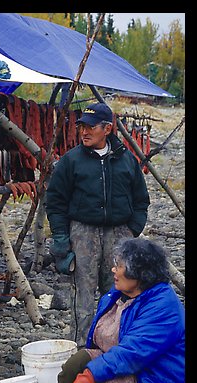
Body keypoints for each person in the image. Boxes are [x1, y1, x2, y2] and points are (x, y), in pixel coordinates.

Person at [45, 238, 185, 383]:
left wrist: (87, 380)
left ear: (138, 273)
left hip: (162, 381)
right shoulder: (120, 294)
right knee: (76, 362)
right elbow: (101, 343)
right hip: (134, 368)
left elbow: (131, 353)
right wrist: (83, 372)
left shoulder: (163, 307)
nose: (113, 270)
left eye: (118, 265)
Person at [45, 102, 150, 348]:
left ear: (108, 129)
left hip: (119, 232)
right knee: (82, 294)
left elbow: (141, 199)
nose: (84, 132)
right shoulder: (71, 161)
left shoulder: (126, 160)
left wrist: (132, 229)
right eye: (82, 127)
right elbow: (56, 202)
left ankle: (114, 347)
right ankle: (80, 349)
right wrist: (61, 239)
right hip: (83, 232)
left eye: (91, 127)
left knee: (117, 292)